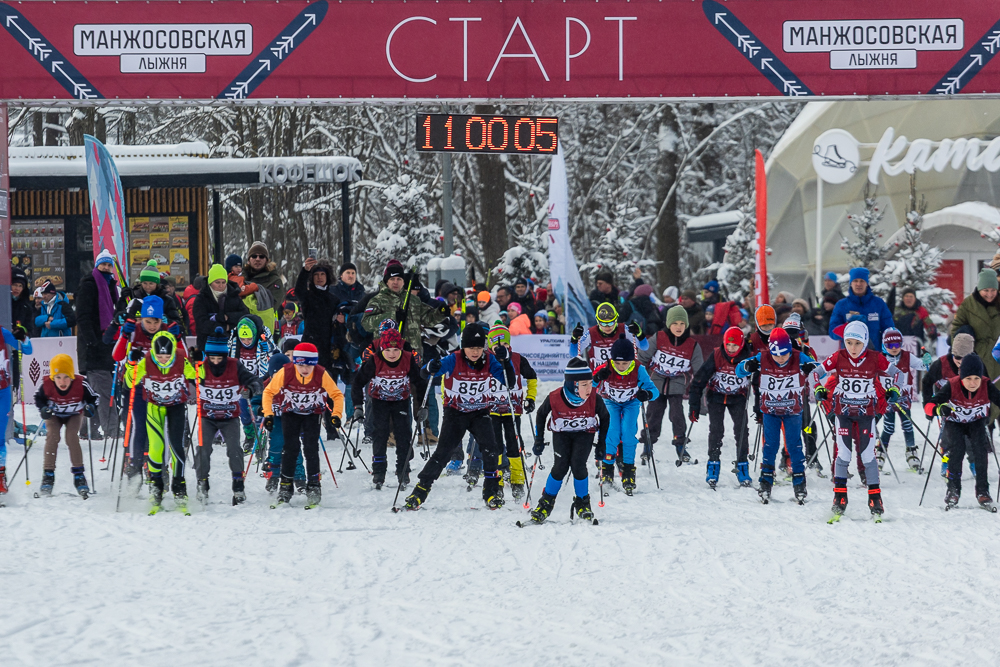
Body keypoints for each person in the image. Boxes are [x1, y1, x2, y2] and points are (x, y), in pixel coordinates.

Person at [405, 325, 510, 510]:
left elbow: (510, 382)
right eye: (471, 348)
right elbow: (424, 374)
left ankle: (491, 492)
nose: (475, 352)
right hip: (456, 412)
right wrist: (430, 366)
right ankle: (420, 491)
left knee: (491, 450)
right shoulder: (453, 359)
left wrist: (505, 361)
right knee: (443, 452)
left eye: (479, 348)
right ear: (463, 347)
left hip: (480, 412)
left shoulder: (490, 360)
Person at [816, 321, 898, 521]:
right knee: (843, 454)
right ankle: (839, 498)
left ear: (865, 342)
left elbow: (898, 374)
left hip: (866, 415)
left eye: (858, 343)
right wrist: (818, 388)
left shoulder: (875, 358)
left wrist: (894, 389)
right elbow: (815, 373)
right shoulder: (839, 356)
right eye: (849, 343)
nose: (853, 348)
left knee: (868, 456)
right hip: (843, 414)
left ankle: (875, 499)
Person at [737, 328, 820, 503]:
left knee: (794, 446)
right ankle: (765, 482)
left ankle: (799, 483)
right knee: (770, 446)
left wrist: (811, 367)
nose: (781, 358)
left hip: (792, 411)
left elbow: (821, 371)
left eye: (784, 354)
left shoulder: (798, 356)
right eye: (777, 355)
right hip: (770, 411)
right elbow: (739, 370)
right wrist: (747, 366)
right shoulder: (763, 357)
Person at [262, 342, 345, 508]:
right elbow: (268, 392)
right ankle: (285, 487)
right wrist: (268, 414)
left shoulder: (321, 373)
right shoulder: (286, 372)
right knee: (290, 448)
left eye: (309, 365)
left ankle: (314, 486)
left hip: (312, 414)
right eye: (301, 365)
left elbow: (336, 394)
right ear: (295, 362)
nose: (305, 369)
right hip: (290, 413)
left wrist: (336, 415)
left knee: (310, 448)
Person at [528, 358, 610, 523]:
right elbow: (541, 414)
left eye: (590, 383)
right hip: (562, 434)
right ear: (573, 384)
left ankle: (583, 503)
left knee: (578, 465)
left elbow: (605, 417)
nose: (589, 388)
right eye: (584, 384)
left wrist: (602, 443)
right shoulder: (555, 397)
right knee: (560, 467)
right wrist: (539, 439)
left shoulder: (594, 398)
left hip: (584, 433)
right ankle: (545, 503)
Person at [193, 327, 264, 505]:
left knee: (234, 450)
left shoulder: (234, 365)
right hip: (207, 417)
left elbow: (255, 380)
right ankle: (202, 484)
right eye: (212, 358)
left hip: (229, 417)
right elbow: (186, 376)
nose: (216, 362)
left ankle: (238, 486)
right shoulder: (201, 366)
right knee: (203, 449)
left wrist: (251, 389)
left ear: (225, 356)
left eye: (220, 358)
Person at [109, 294, 175, 481]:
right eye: (148, 321)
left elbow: (182, 357)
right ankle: (135, 465)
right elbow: (117, 356)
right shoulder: (134, 331)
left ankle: (161, 467)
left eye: (156, 321)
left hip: (161, 389)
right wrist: (124, 335)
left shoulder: (166, 332)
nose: (152, 326)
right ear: (142, 318)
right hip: (137, 388)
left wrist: (177, 337)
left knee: (161, 428)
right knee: (139, 426)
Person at [351, 327, 426, 489]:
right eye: (388, 350)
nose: (392, 354)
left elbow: (420, 383)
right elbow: (357, 383)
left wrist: (422, 406)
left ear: (401, 348)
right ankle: (379, 471)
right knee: (380, 434)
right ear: (381, 349)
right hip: (379, 401)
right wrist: (358, 406)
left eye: (396, 350)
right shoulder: (375, 360)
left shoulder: (407, 358)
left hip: (401, 401)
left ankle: (403, 470)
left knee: (403, 434)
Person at [925, 353, 1000, 510]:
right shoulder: (952, 385)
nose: (973, 383)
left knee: (981, 451)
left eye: (977, 378)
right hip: (955, 423)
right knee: (957, 451)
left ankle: (983, 491)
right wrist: (938, 409)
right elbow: (930, 405)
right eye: (968, 379)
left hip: (976, 422)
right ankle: (953, 490)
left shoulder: (986, 385)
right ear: (961, 377)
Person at [134, 332, 197, 514]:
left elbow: (195, 376)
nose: (163, 360)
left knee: (176, 447)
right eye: (160, 356)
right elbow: (131, 381)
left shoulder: (180, 358)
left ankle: (179, 487)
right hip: (154, 407)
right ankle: (156, 486)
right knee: (156, 447)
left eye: (167, 356)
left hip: (176, 406)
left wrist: (197, 363)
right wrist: (131, 364)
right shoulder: (146, 360)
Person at [593, 335, 659, 494]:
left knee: (628, 433)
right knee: (612, 431)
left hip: (631, 403)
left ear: (631, 360)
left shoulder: (638, 369)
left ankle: (628, 470)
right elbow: (587, 385)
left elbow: (654, 391)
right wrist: (597, 378)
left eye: (625, 363)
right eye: (617, 363)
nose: (621, 366)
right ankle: (607, 469)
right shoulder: (606, 367)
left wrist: (647, 394)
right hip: (610, 402)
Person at [689, 326, 753, 487]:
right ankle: (713, 464)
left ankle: (742, 465)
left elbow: (759, 382)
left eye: (735, 345)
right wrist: (694, 406)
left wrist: (760, 408)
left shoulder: (748, 358)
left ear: (741, 344)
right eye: (728, 345)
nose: (730, 349)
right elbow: (699, 380)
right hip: (716, 397)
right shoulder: (717, 354)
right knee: (716, 431)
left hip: (738, 398)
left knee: (741, 430)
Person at [640, 305, 703, 464]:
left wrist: (700, 390)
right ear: (668, 324)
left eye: (682, 324)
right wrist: (638, 378)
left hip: (677, 381)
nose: (678, 327)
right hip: (656, 380)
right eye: (675, 323)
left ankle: (680, 444)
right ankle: (648, 443)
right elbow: (642, 357)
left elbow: (700, 371)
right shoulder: (659, 337)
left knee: (677, 413)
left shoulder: (692, 345)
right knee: (654, 412)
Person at [33, 354, 100, 498]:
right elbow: (38, 398)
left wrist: (90, 407)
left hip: (74, 415)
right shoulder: (46, 385)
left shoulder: (81, 384)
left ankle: (79, 475)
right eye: (58, 377)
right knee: (52, 436)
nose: (62, 381)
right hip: (54, 415)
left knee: (71, 437)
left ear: (72, 376)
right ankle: (48, 474)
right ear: (53, 377)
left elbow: (94, 398)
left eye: (66, 377)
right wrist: (43, 409)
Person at [487, 322, 538, 499]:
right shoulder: (486, 359)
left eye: (505, 344)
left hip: (512, 408)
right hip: (492, 409)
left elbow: (531, 376)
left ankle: (518, 479)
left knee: (513, 443)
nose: (501, 348)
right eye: (497, 346)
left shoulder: (517, 358)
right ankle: (498, 480)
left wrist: (530, 398)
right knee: (495, 445)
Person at [75, 249, 121, 440]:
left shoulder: (110, 286)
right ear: (97, 265)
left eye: (109, 265)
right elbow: (82, 316)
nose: (106, 268)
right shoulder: (89, 284)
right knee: (104, 390)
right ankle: (112, 430)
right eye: (103, 264)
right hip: (93, 347)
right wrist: (92, 341)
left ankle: (88, 429)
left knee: (96, 390)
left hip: (107, 345)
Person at [362, 260, 449, 356]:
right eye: (392, 279)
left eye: (399, 279)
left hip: (412, 355)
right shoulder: (377, 300)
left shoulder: (413, 300)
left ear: (403, 281)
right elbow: (366, 323)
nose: (396, 282)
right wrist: (392, 316)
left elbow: (427, 318)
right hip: (387, 355)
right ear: (387, 281)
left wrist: (440, 313)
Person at [950, 268, 1000, 420]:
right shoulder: (968, 305)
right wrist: (962, 351)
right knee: (981, 399)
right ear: (979, 289)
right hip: (977, 358)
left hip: (998, 355)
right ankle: (984, 428)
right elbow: (956, 329)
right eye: (986, 290)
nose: (990, 294)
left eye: (993, 290)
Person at [878, 328, 930, 472]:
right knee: (888, 427)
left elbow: (922, 366)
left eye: (897, 344)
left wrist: (926, 361)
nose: (894, 348)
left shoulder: (907, 356)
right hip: (888, 400)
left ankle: (911, 452)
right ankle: (880, 453)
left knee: (907, 425)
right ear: (884, 345)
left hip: (903, 399)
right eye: (890, 345)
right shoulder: (880, 359)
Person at [230, 315, 273, 451]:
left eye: (249, 339)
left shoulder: (263, 340)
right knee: (244, 412)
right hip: (243, 384)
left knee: (258, 411)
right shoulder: (234, 344)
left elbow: (275, 357)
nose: (247, 342)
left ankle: (261, 439)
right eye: (243, 339)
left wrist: (268, 350)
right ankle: (250, 436)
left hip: (261, 382)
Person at [0, 326, 32, 495]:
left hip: (2, 391)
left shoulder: (2, 332)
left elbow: (27, 349)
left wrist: (23, 337)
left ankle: (0, 477)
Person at [570, 302, 648, 371]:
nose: (607, 327)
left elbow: (644, 347)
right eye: (603, 324)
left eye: (611, 323)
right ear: (598, 322)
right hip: (599, 376)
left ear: (616, 320)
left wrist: (639, 334)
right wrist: (574, 339)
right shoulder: (591, 333)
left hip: (620, 375)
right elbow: (573, 354)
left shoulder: (624, 329)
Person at [829, 267, 894, 346]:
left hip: (874, 352)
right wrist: (848, 326)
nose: (859, 284)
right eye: (855, 281)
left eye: (862, 281)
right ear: (851, 283)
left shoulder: (878, 303)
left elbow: (889, 329)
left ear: (867, 283)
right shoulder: (841, 305)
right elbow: (832, 332)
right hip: (850, 352)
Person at [191, 264, 249, 353]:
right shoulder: (201, 298)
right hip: (208, 344)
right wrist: (224, 327)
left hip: (232, 345)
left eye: (223, 282)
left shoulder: (233, 295)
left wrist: (228, 317)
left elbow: (245, 315)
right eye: (217, 282)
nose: (221, 285)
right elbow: (201, 323)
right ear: (210, 282)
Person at [243, 241, 286, 311]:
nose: (257, 259)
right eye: (254, 256)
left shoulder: (274, 281)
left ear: (267, 261)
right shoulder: (240, 278)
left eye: (261, 256)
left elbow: (271, 306)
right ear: (248, 260)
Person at [10, 268, 34, 335]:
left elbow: (29, 329)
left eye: (20, 286)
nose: (17, 289)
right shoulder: (3, 303)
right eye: (15, 285)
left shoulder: (26, 306)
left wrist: (22, 332)